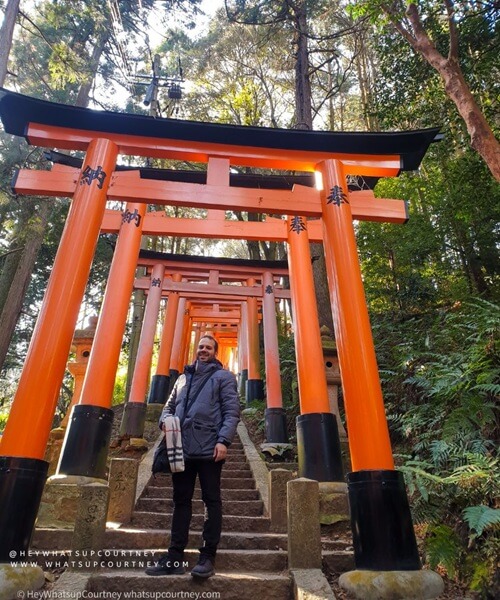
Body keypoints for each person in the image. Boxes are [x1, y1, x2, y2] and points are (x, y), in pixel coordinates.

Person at [145, 334, 240, 579]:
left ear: (215, 352)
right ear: (196, 349)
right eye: (200, 346)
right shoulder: (183, 378)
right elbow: (168, 407)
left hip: (210, 449)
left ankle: (207, 556)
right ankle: (174, 556)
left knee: (211, 500)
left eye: (208, 347)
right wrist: (165, 421)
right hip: (181, 448)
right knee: (181, 501)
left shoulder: (224, 378)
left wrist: (223, 441)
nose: (203, 350)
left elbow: (231, 412)